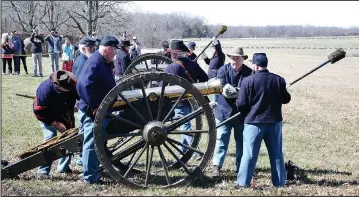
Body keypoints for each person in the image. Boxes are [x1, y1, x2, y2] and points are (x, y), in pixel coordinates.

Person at [235, 53, 291, 188]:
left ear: (255, 65)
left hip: (253, 123)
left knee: (249, 154)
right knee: (276, 154)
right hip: (274, 123)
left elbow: (241, 104)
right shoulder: (279, 80)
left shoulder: (247, 81)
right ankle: (279, 183)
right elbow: (286, 99)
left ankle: (243, 183)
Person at [76, 35, 118, 184]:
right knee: (92, 143)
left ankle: (92, 172)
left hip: (99, 109)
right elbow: (82, 85)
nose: (116, 54)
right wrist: (94, 106)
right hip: (91, 111)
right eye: (114, 51)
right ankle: (89, 177)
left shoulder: (102, 61)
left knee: (95, 142)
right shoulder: (95, 62)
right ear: (107, 49)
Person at [164, 40, 208, 160]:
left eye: (172, 53)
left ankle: (196, 151)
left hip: (177, 102)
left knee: (184, 126)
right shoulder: (194, 65)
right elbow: (205, 78)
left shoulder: (170, 68)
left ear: (174, 54)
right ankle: (183, 152)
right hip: (192, 101)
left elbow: (162, 87)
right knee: (184, 124)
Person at [211, 47, 252, 176]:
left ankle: (240, 167)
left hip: (241, 114)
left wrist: (238, 91)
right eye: (233, 58)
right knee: (221, 138)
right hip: (223, 111)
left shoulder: (249, 72)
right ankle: (216, 167)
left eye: (237, 58)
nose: (235, 61)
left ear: (242, 59)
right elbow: (223, 88)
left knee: (241, 141)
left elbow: (248, 90)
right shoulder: (223, 70)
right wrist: (237, 91)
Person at [33, 70, 78, 179]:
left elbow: (80, 96)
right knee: (50, 139)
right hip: (48, 116)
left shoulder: (71, 84)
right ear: (55, 85)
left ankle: (63, 167)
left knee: (70, 138)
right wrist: (55, 123)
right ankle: (43, 172)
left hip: (65, 114)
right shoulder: (44, 89)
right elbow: (38, 112)